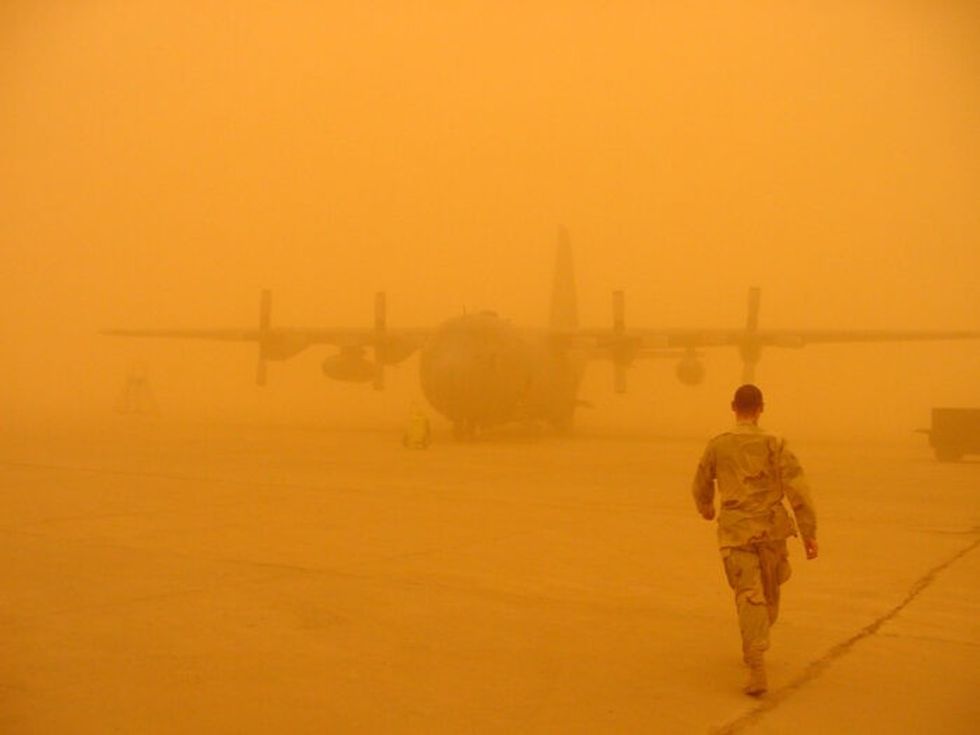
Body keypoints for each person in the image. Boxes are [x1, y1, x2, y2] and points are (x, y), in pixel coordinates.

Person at [692, 384, 818, 696]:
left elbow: (702, 480)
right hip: (771, 530)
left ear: (733, 407)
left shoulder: (718, 444)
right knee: (767, 595)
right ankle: (756, 655)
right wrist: (808, 532)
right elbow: (798, 489)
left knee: (751, 594)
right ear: (761, 408)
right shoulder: (776, 443)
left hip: (736, 531)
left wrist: (706, 506)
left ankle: (755, 643)